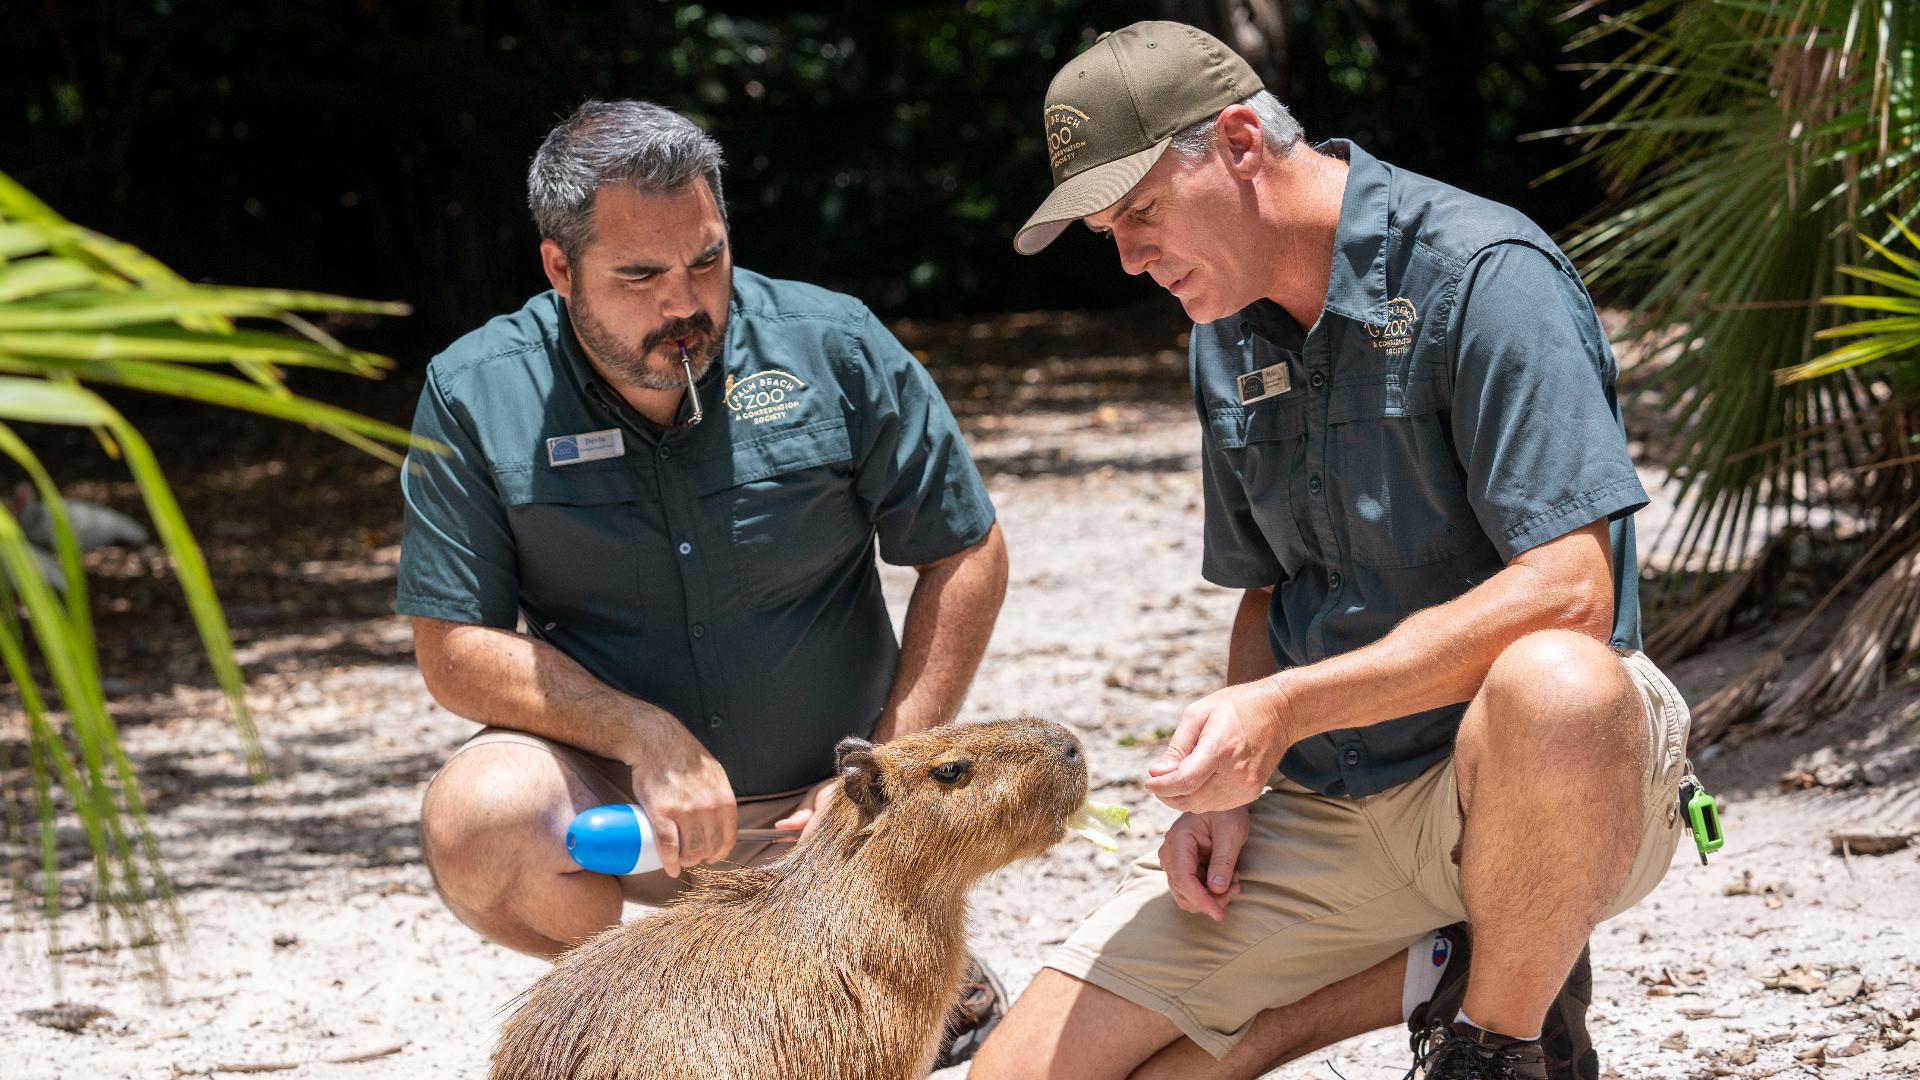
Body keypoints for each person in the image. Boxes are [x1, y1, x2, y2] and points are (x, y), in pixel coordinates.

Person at [972, 22, 1694, 1080]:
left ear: (1238, 142)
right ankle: (1435, 970)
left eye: (1140, 212)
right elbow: (1268, 590)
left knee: (1561, 680)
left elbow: (1574, 593)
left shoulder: (1485, 272)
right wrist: (1231, 793)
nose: (1127, 256)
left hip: (1533, 786)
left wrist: (1286, 710)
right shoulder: (1218, 330)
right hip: (1328, 798)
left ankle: (1496, 1044)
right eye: (1106, 232)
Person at [397, 99, 1011, 1066]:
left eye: (707, 260)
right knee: (478, 817)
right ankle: (658, 1010)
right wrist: (645, 737)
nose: (685, 303)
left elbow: (966, 548)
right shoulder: (476, 389)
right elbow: (454, 652)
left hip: (833, 817)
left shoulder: (831, 343)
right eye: (639, 275)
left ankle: (927, 976)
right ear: (560, 269)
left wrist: (883, 769)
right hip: (629, 819)